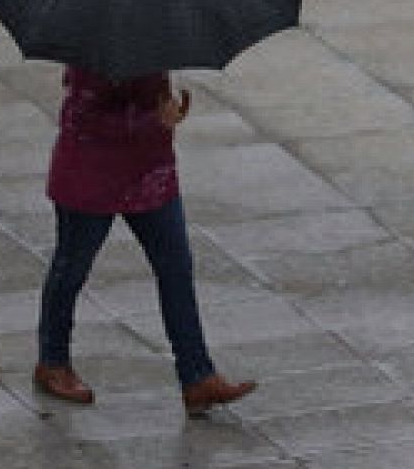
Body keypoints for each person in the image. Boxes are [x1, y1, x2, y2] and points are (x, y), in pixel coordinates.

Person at [33, 66, 256, 417]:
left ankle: (197, 375)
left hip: (150, 172)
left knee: (176, 268)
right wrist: (156, 118)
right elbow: (84, 117)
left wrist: (167, 106)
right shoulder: (94, 48)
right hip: (91, 174)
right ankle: (53, 362)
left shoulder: (154, 33)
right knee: (71, 267)